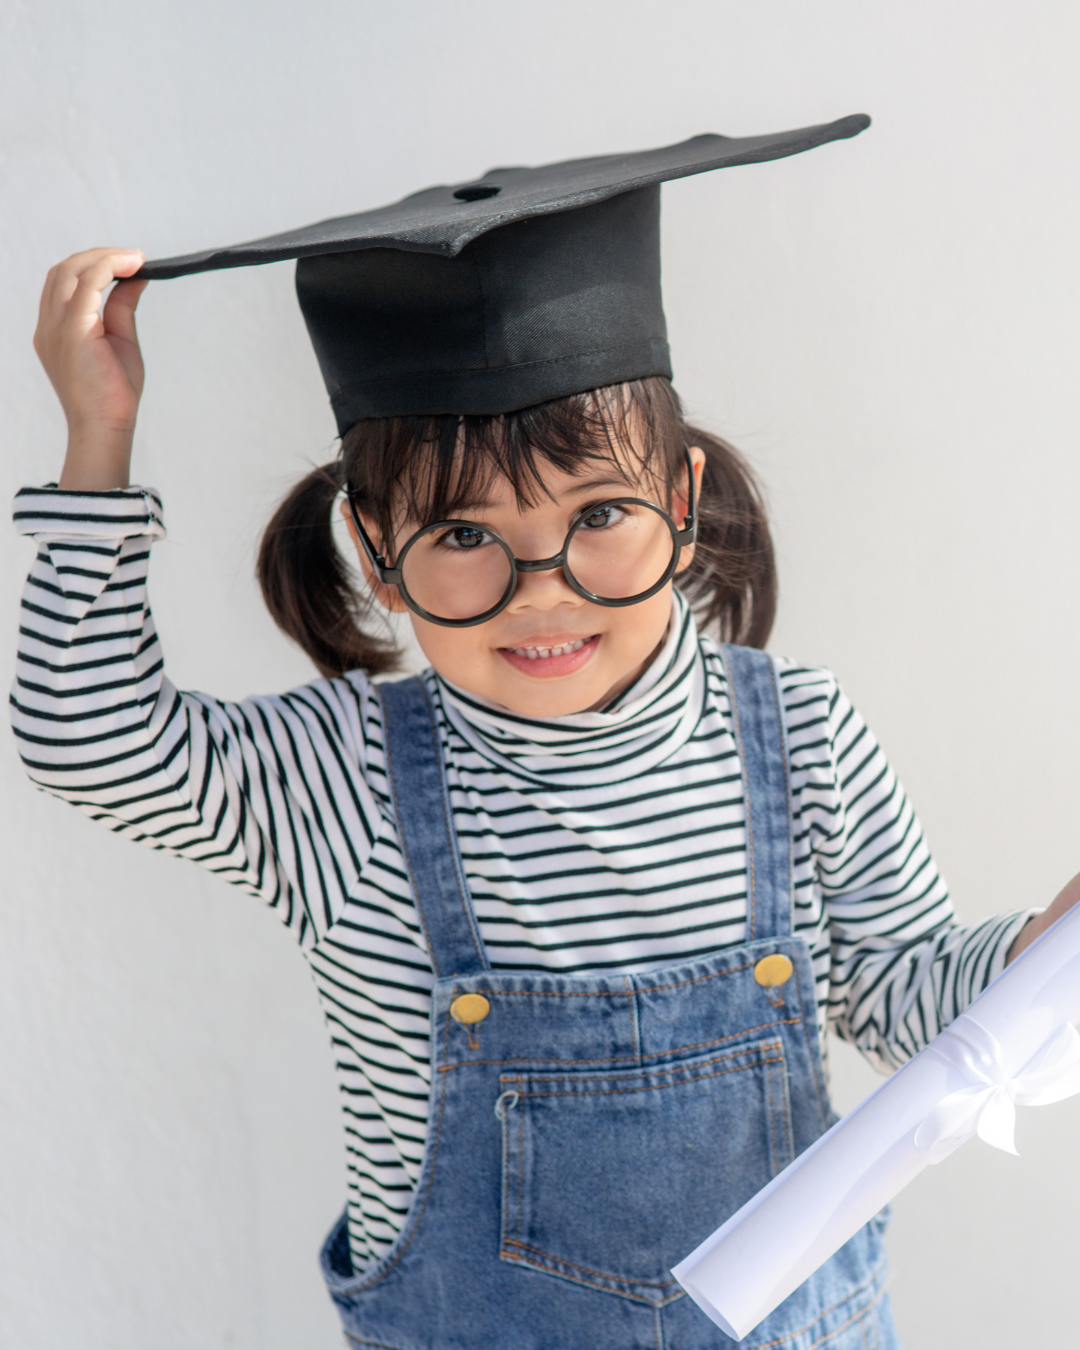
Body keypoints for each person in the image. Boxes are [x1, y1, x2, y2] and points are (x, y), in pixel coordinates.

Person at [13, 123, 1080, 1350]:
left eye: (603, 514)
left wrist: (1039, 961)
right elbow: (85, 737)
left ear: (680, 506)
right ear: (376, 553)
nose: (542, 588)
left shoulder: (805, 738)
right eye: (464, 536)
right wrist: (98, 444)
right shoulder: (338, 779)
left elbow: (907, 998)